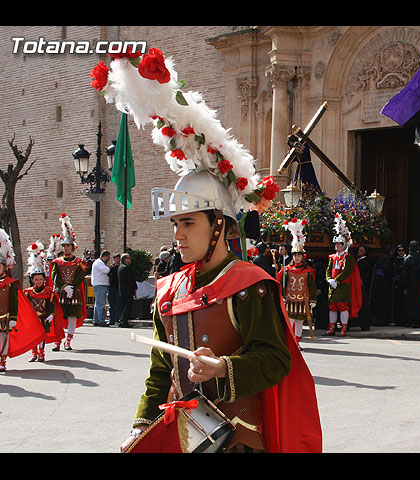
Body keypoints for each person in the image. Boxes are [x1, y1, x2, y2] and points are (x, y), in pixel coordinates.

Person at [102, 47, 322, 453]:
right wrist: (141, 424)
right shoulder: (168, 292)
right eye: (175, 224)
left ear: (218, 225)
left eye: (188, 223)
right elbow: (159, 372)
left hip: (237, 440)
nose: (178, 235)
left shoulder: (250, 285)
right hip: (182, 434)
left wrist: (224, 368)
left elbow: (276, 360)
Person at [0, 230, 46, 372]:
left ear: (5, 267)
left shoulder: (11, 283)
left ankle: (2, 359)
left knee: (3, 338)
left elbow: (14, 302)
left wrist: (13, 317)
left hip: (4, 316)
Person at [50, 213, 87, 351]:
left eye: (68, 246)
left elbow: (80, 277)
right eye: (64, 246)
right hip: (60, 292)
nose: (65, 248)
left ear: (72, 247)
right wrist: (64, 287)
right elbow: (54, 276)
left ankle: (68, 341)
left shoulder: (79, 263)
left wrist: (72, 287)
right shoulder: (56, 262)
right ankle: (57, 341)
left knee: (72, 316)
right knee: (58, 317)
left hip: (74, 292)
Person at [276, 218, 316, 344]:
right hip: (289, 299)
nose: (296, 257)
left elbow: (311, 286)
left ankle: (297, 342)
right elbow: (282, 283)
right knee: (290, 321)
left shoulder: (308, 271)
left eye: (299, 255)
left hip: (302, 299)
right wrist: (281, 296)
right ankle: (290, 342)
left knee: (299, 322)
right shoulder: (287, 270)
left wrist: (313, 300)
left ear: (302, 257)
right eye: (295, 255)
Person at [24, 241, 64, 362]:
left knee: (42, 336)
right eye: (36, 279)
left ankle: (41, 353)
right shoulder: (28, 292)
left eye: (40, 279)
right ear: (32, 280)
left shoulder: (48, 291)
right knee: (32, 336)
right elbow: (25, 306)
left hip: (44, 317)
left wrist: (52, 315)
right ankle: (34, 353)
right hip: (33, 317)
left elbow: (51, 304)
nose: (39, 281)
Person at [324, 214, 362, 336]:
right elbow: (328, 269)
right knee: (332, 307)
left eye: (339, 244)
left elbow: (347, 271)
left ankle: (343, 328)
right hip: (332, 285)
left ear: (344, 244)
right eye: (336, 244)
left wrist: (337, 281)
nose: (336, 246)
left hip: (343, 286)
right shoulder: (332, 257)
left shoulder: (348, 258)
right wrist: (329, 279)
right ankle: (331, 328)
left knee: (342, 307)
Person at [400, 240, 420, 328]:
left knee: (412, 303)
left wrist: (405, 286)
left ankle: (414, 321)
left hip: (412, 283)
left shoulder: (407, 259)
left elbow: (405, 274)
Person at [372, 244, 394, 326]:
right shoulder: (387, 258)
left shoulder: (381, 257)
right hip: (383, 281)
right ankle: (383, 320)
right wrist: (391, 275)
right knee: (383, 300)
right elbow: (386, 269)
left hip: (378, 280)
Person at [355, 244, 373, 331]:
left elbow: (366, 274)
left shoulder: (366, 261)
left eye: (361, 250)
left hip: (362, 285)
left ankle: (364, 323)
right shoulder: (357, 260)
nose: (359, 251)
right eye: (359, 250)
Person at [91, 250, 111, 326]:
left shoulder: (99, 263)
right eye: (108, 257)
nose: (108, 259)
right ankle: (101, 320)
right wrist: (109, 267)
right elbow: (106, 270)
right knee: (101, 304)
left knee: (98, 303)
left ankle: (96, 320)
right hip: (100, 284)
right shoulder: (99, 263)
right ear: (105, 256)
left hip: (100, 284)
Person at [117, 253, 136, 328]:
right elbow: (130, 279)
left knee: (124, 306)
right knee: (127, 306)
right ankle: (123, 321)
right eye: (129, 258)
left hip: (122, 290)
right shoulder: (126, 268)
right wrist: (134, 287)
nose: (130, 260)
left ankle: (122, 320)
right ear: (125, 259)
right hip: (127, 290)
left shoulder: (120, 267)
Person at [108, 253, 121, 326]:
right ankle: (111, 319)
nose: (117, 260)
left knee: (118, 305)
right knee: (111, 305)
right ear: (114, 259)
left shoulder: (121, 268)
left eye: (119, 258)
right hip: (111, 288)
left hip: (118, 288)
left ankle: (117, 319)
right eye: (116, 258)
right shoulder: (111, 268)